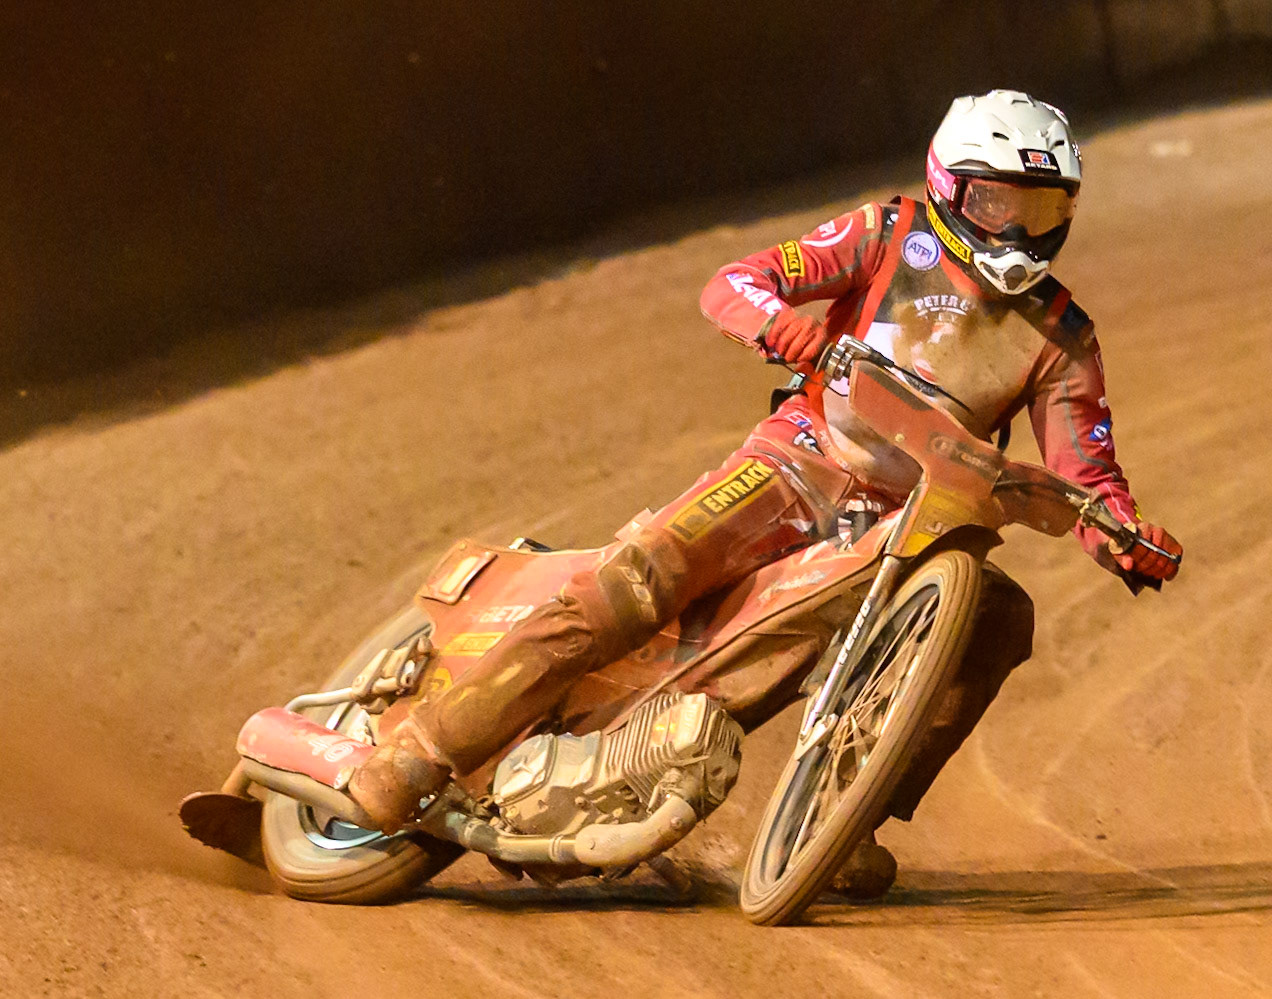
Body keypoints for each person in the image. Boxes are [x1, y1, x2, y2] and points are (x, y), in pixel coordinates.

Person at [348, 90, 1183, 897]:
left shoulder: (1064, 338)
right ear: (952, 189)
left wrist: (1121, 535)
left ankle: (851, 822)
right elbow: (735, 284)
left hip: (916, 518)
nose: (1021, 231)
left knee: (1002, 615)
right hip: (802, 456)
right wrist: (798, 335)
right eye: (1002, 205)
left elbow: (1087, 475)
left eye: (1043, 212)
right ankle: (425, 748)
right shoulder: (888, 232)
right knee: (645, 572)